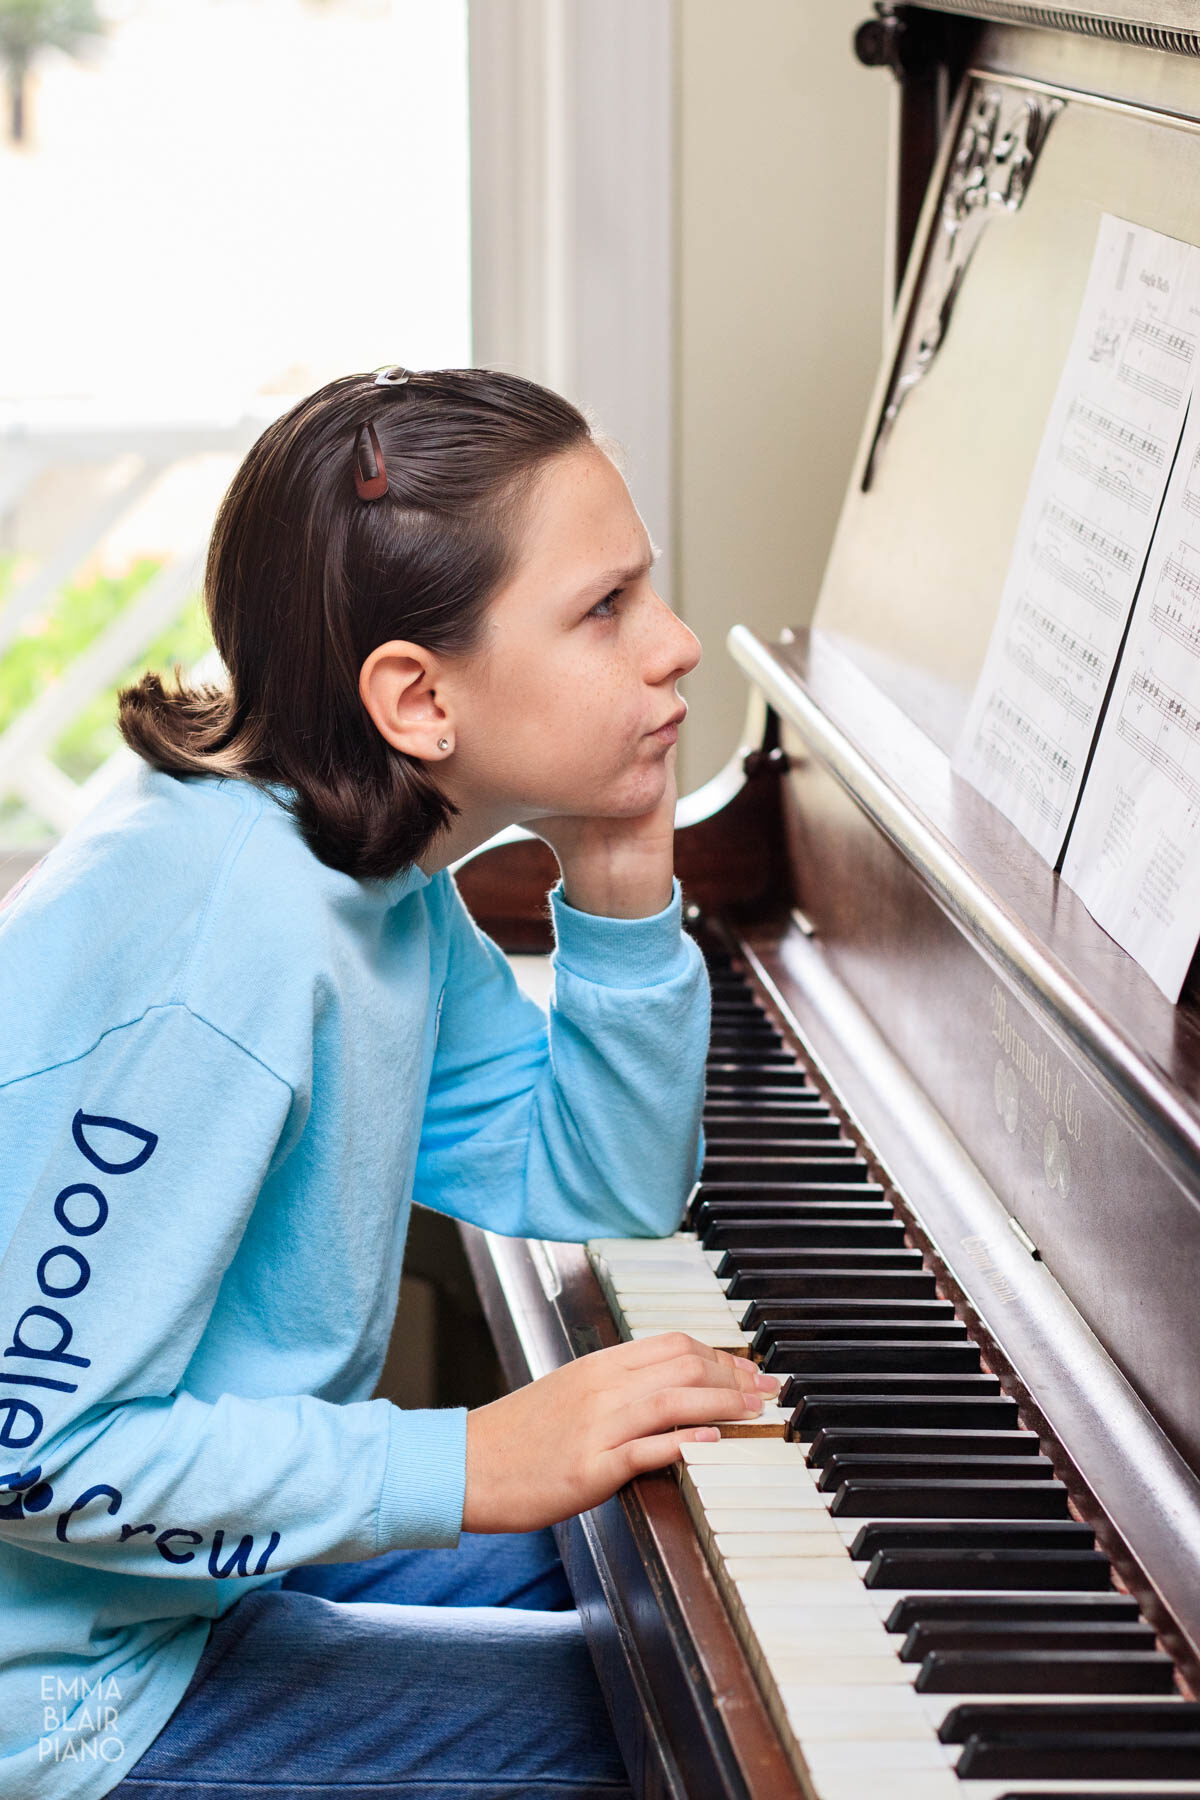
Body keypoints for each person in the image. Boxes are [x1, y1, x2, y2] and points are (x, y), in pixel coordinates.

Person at [0, 367, 780, 1800]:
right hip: (62, 1702)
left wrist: (614, 879)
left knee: (684, 1554)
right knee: (697, 1734)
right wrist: (466, 1461)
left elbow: (593, 1184)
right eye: (604, 609)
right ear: (417, 697)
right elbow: (29, 1454)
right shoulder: (226, 952)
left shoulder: (373, 874)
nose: (672, 645)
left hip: (187, 1595)